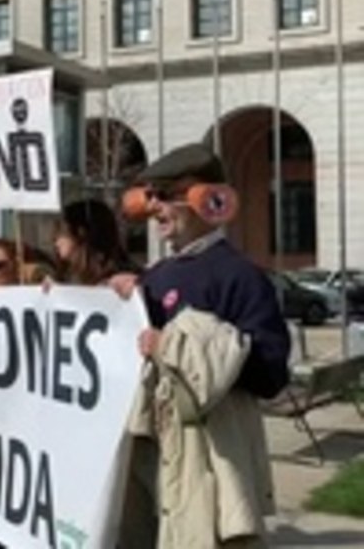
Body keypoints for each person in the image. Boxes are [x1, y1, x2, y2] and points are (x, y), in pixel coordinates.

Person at [114, 143, 290, 548]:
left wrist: (183, 346)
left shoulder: (240, 277)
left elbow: (270, 374)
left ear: (204, 199)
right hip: (157, 452)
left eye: (166, 195)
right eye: (151, 196)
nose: (155, 208)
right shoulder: (154, 278)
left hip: (213, 457)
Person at [53, 199, 137, 285]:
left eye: (62, 231)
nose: (56, 240)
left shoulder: (122, 282)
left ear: (81, 232)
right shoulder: (73, 278)